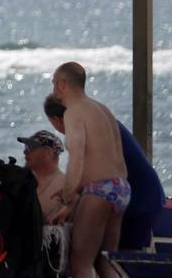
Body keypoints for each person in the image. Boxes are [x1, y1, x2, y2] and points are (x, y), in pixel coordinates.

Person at [49, 62, 131, 278]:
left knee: (80, 263)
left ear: (62, 84)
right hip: (120, 188)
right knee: (106, 262)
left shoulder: (74, 112)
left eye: (53, 83)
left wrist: (70, 197)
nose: (53, 89)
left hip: (98, 190)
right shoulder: (101, 108)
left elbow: (78, 158)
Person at [44, 92, 163, 251]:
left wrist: (70, 203)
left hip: (137, 200)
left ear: (57, 120)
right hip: (144, 194)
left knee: (111, 260)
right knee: (111, 259)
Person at [17, 129, 68, 224]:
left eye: (30, 147)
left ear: (48, 152)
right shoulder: (19, 182)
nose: (25, 152)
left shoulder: (66, 185)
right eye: (25, 147)